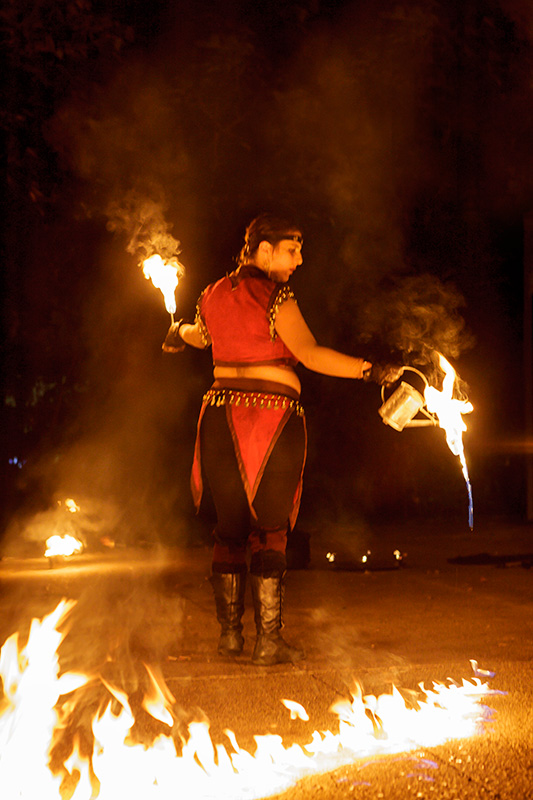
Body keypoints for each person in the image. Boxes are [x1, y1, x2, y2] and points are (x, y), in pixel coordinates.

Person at [162, 213, 398, 666]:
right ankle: (268, 642)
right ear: (264, 250)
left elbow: (200, 336)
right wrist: (370, 370)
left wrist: (177, 333)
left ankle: (230, 637)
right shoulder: (274, 294)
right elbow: (308, 354)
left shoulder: (212, 293)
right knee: (270, 531)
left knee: (229, 530)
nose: (299, 260)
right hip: (268, 420)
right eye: (292, 250)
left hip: (218, 419)